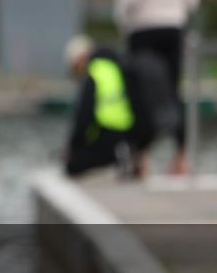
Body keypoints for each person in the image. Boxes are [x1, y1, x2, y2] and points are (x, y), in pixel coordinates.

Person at [114, 0, 201, 175]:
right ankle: (181, 157)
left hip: (143, 30)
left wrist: (122, 21)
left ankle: (141, 157)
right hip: (174, 28)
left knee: (140, 94)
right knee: (173, 91)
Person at [63, 35, 179, 179]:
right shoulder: (119, 64)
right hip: (134, 137)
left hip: (114, 138)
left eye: (75, 67)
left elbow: (84, 117)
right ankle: (131, 157)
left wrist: (73, 147)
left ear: (80, 59)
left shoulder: (95, 73)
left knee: (72, 165)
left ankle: (122, 160)